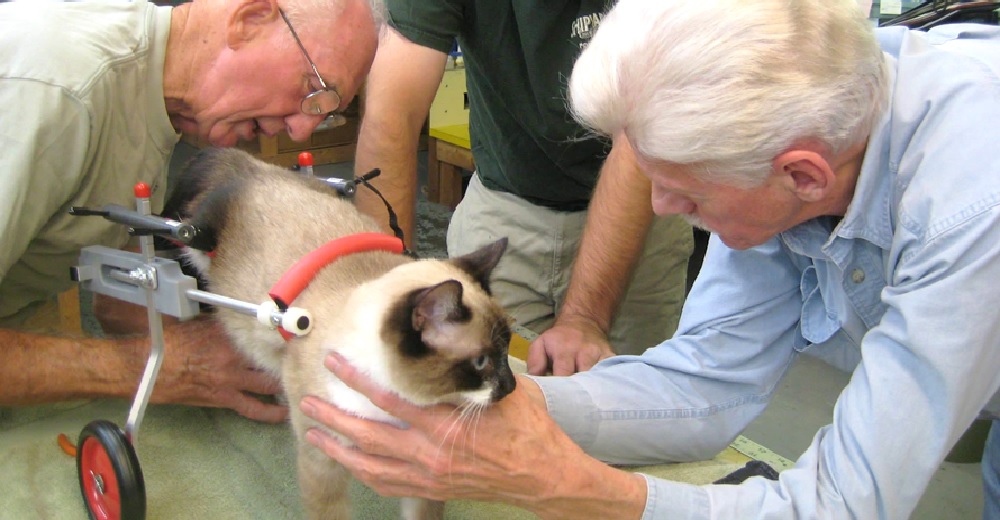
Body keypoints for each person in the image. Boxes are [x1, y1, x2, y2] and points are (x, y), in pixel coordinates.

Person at [297, 0, 1000, 517]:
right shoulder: (795, 108)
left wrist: (566, 484)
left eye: (686, 193)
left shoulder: (969, 205)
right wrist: (485, 406)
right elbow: (703, 385)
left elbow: (845, 506)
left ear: (803, 175)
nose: (659, 208)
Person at [0, 0, 380, 421]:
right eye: (313, 89)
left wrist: (229, 345)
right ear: (250, 19)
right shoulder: (59, 94)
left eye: (326, 113)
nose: (301, 129)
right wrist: (147, 365)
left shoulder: (153, 93)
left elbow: (117, 300)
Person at [351, 0, 694, 376]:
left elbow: (638, 139)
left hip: (642, 216)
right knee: (474, 407)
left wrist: (585, 316)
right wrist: (381, 299)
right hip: (504, 214)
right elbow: (392, 112)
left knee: (630, 406)